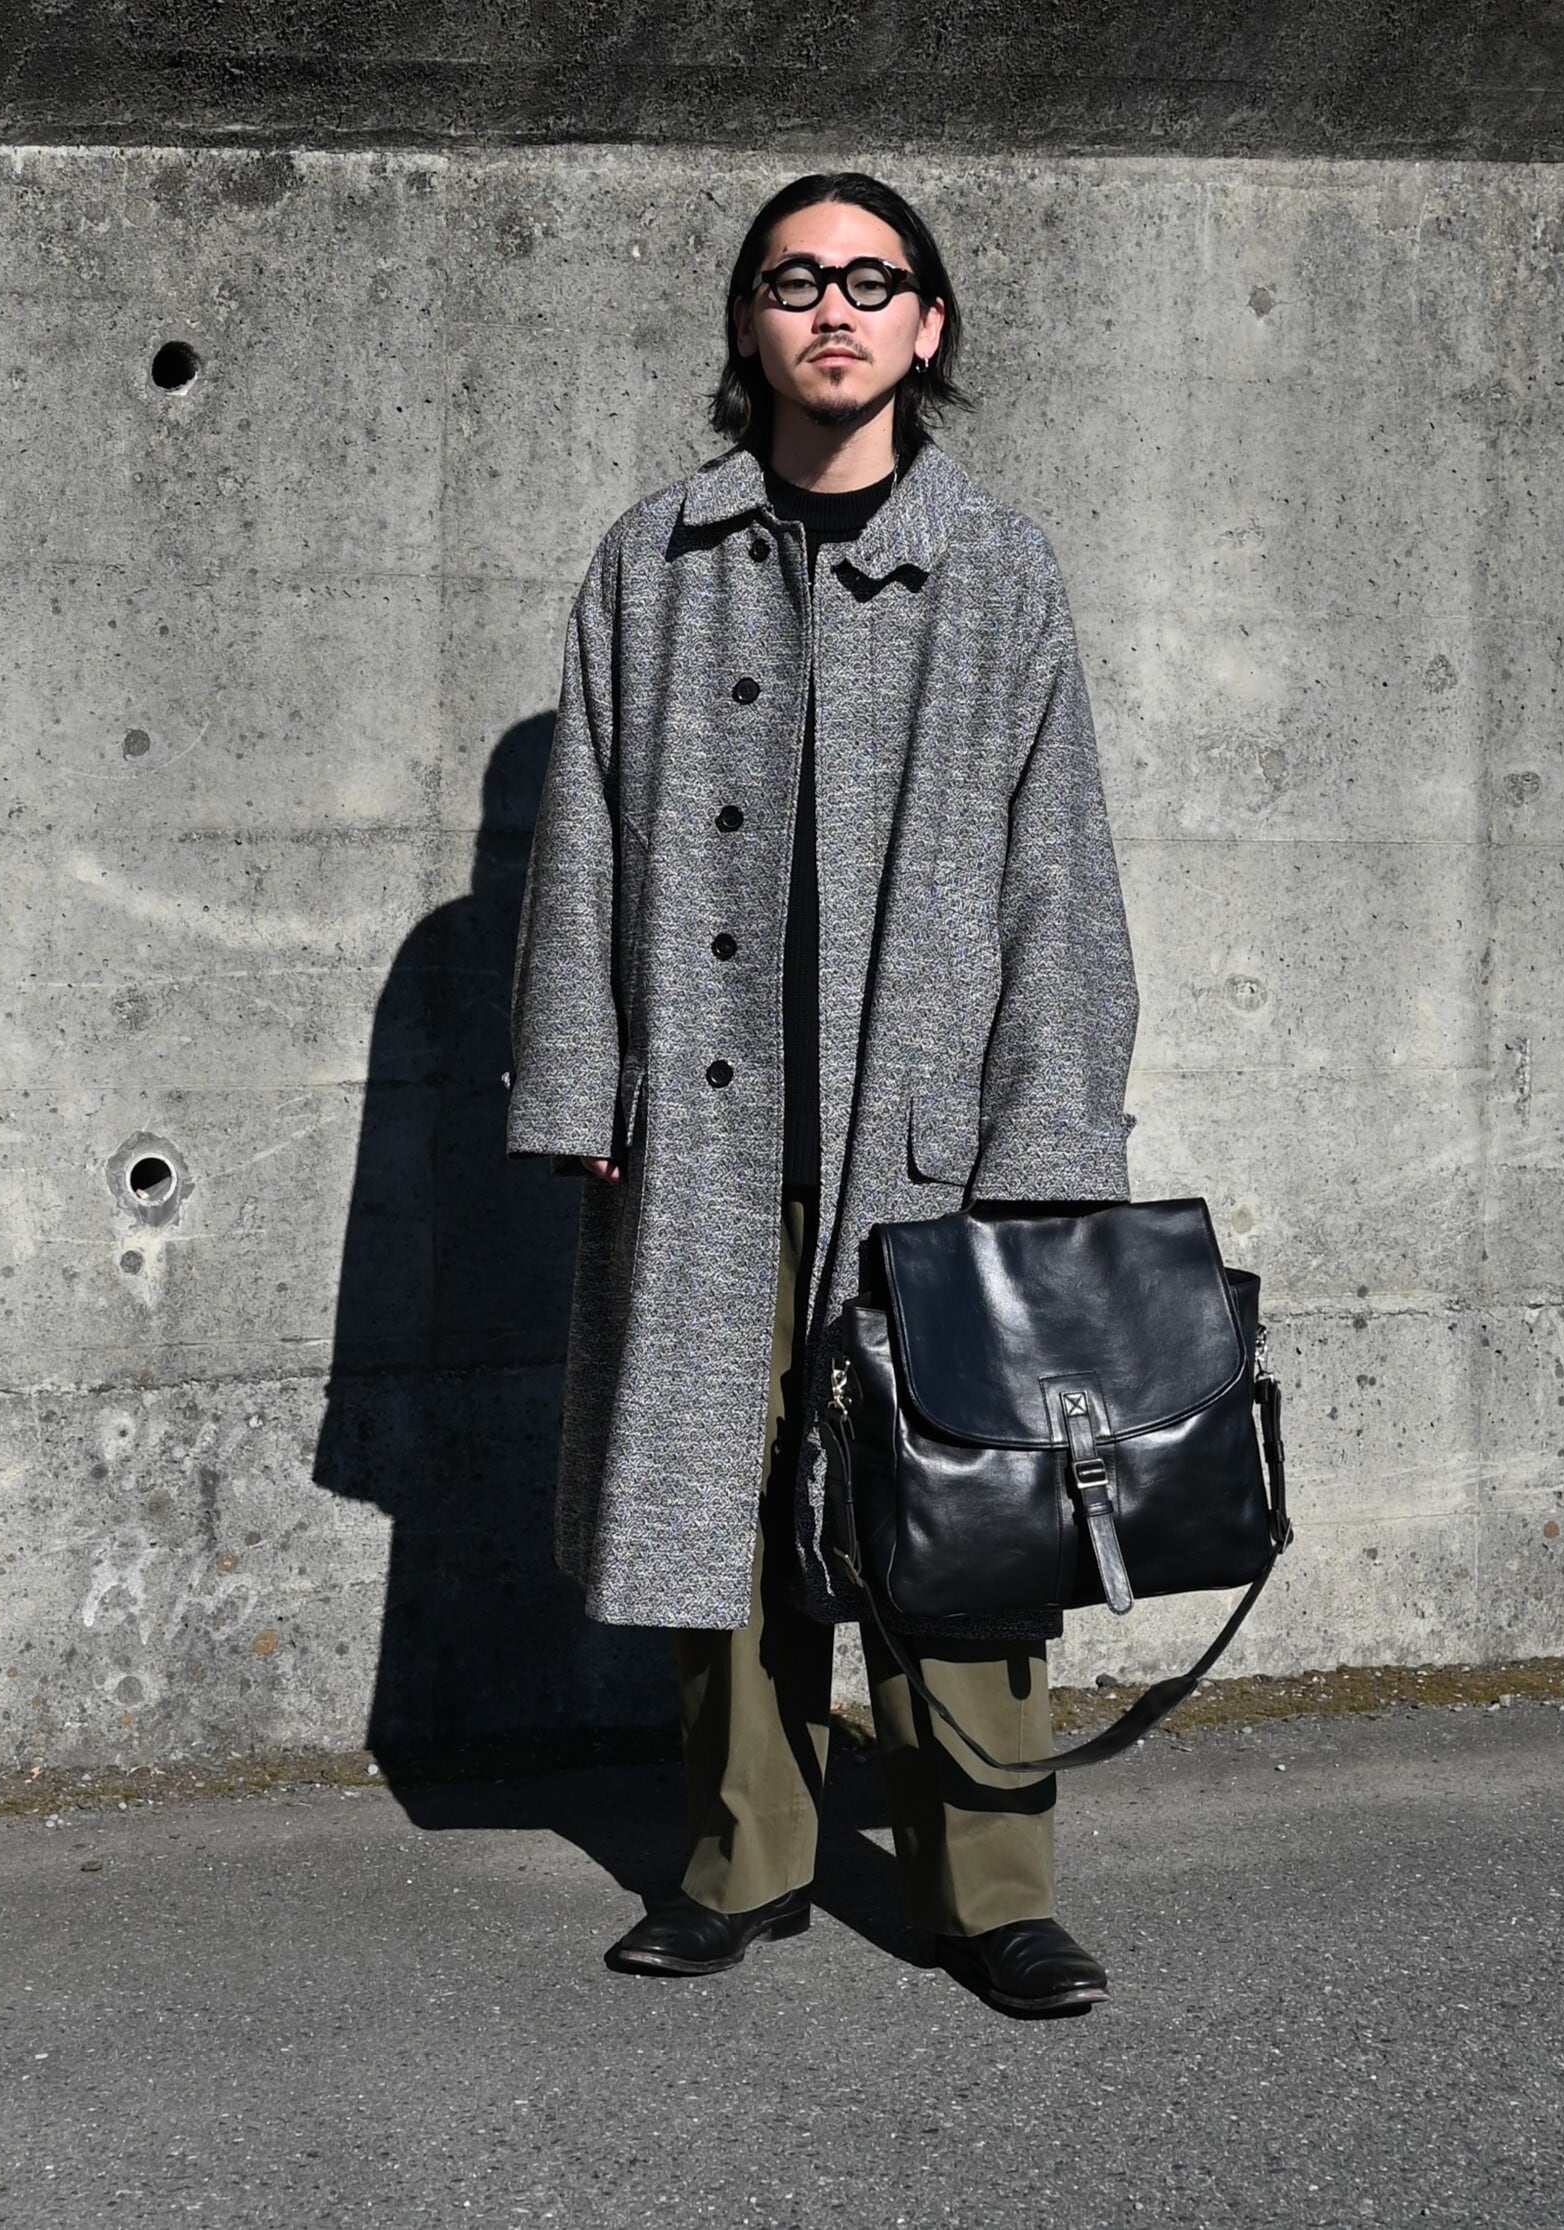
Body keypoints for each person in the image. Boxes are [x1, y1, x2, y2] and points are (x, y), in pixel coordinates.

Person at [505, 171, 1139, 2016]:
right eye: (796, 280)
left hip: (927, 1141)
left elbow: (1058, 872)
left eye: (873, 280)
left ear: (927, 327)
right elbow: (580, 838)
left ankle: (990, 1890)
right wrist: (582, 1088)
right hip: (705, 1134)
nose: (835, 309)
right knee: (717, 1505)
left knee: (963, 1508)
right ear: (747, 322)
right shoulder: (655, 557)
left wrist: (1048, 1138)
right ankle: (744, 1859)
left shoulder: (994, 564)